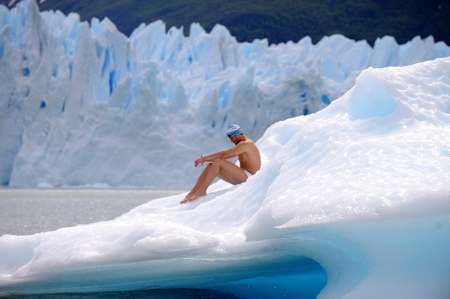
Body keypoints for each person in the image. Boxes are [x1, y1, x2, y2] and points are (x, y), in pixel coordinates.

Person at [180, 124, 261, 204]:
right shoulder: (243, 143)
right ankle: (193, 192)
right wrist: (205, 159)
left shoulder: (246, 144)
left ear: (235, 136)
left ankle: (201, 191)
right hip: (243, 175)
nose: (231, 140)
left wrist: (204, 158)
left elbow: (224, 155)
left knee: (218, 161)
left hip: (250, 178)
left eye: (230, 137)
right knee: (212, 164)